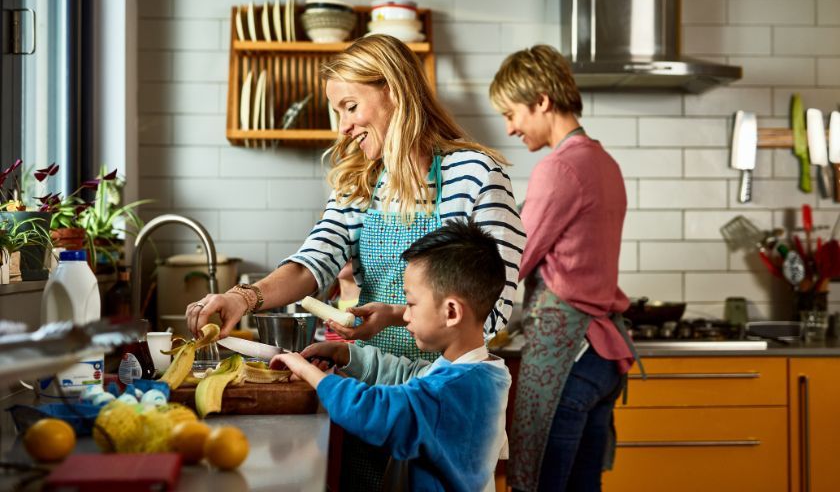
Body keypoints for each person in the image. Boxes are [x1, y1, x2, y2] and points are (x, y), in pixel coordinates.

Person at [186, 34, 525, 488]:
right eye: (337, 112)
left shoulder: (478, 175)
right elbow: (315, 261)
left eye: (350, 106)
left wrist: (397, 315)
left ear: (393, 91)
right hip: (366, 390)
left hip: (443, 401)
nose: (342, 127)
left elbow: (492, 306)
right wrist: (242, 298)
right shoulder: (359, 182)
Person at [489, 44, 636, 492]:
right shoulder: (604, 162)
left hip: (568, 355)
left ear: (542, 101)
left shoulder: (559, 168)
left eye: (512, 113)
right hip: (603, 358)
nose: (510, 127)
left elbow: (514, 257)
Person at [272, 220, 511, 492]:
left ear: (452, 312)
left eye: (411, 304)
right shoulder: (481, 371)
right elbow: (407, 375)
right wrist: (344, 352)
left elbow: (370, 409)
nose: (404, 316)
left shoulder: (449, 390)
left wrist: (305, 371)